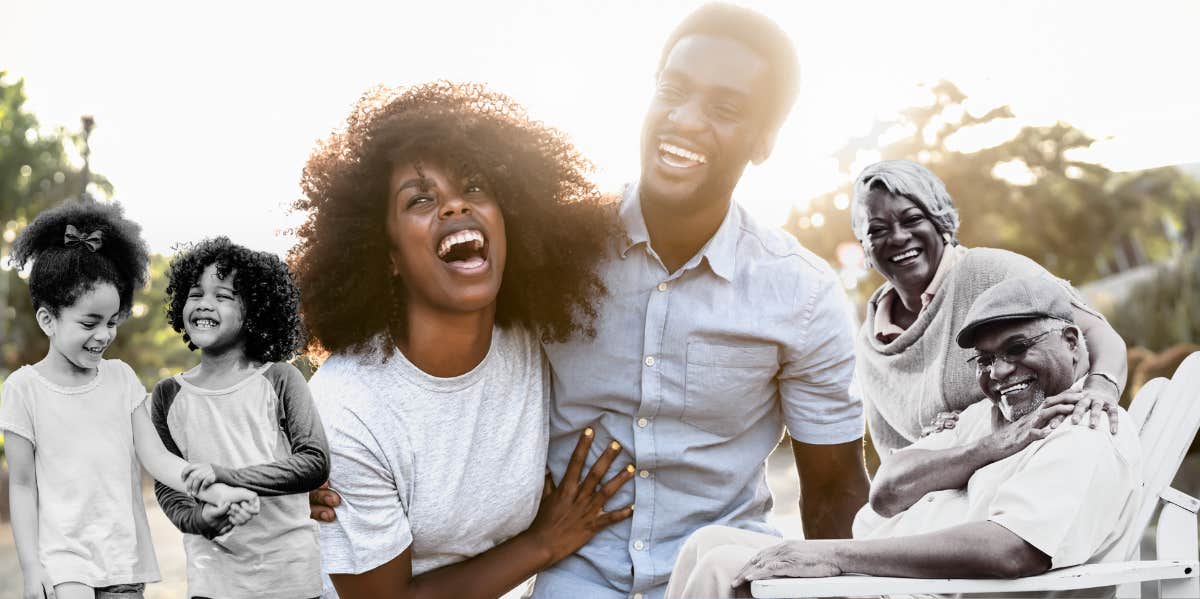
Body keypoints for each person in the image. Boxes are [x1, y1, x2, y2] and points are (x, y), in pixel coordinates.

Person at [529, 5, 870, 598]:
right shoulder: (551, 248)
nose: (685, 121)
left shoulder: (803, 294)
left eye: (724, 109)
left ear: (764, 142)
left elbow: (835, 488)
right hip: (574, 574)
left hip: (729, 575)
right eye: (673, 91)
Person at [291, 81, 632, 599]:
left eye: (474, 187)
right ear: (387, 256)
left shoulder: (538, 340)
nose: (453, 207)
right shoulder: (348, 409)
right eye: (420, 199)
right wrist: (543, 543)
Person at [669, 276, 1141, 597]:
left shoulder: (1083, 426)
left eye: (1017, 348)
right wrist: (987, 448)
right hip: (884, 579)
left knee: (723, 569)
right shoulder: (990, 419)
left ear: (1074, 342)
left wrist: (835, 557)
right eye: (984, 359)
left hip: (917, 590)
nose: (999, 372)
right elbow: (888, 492)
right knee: (706, 543)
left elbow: (1013, 551)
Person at [0, 201, 258, 599]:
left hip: (121, 556)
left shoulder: (121, 379)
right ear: (48, 320)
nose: (103, 335)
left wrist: (216, 491)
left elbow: (158, 459)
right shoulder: (23, 389)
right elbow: (21, 484)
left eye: (112, 322)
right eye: (89, 323)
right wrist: (32, 568)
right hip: (62, 559)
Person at [849, 159, 1129, 457]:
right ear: (864, 246)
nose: (898, 237)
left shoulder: (988, 271)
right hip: (955, 495)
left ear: (939, 222)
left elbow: (1096, 332)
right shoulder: (870, 347)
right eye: (877, 230)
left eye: (912, 219)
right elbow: (896, 460)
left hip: (1047, 459)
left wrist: (1101, 389)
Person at [151, 237, 330, 599]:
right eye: (195, 293)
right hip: (212, 582)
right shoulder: (168, 395)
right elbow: (169, 485)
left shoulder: (279, 378)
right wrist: (201, 520)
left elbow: (314, 461)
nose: (204, 304)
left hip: (290, 579)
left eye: (223, 296)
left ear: (254, 311)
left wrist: (228, 476)